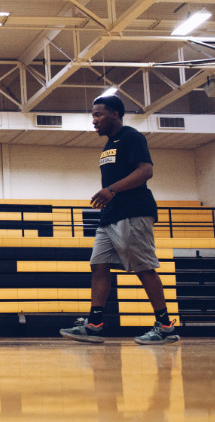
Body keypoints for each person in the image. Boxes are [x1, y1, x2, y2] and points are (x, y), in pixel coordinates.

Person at [61, 94, 178, 346]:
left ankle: (166, 325)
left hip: (133, 211)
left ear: (115, 114)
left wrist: (112, 189)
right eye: (93, 115)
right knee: (99, 265)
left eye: (99, 114)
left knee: (143, 268)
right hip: (110, 215)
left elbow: (146, 170)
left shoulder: (131, 137)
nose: (94, 120)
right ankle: (94, 325)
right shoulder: (109, 145)